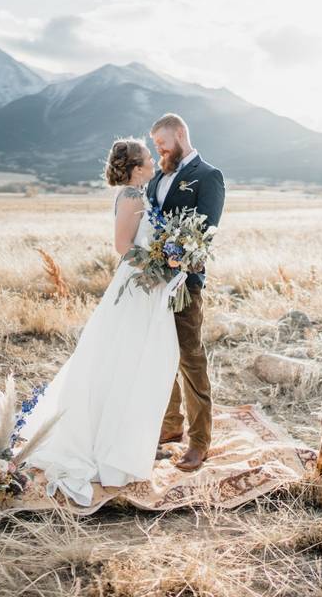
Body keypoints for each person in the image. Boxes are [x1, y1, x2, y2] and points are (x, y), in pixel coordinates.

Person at [16, 137, 182, 507]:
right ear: (137, 167)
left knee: (138, 361)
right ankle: (108, 444)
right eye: (148, 158)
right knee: (124, 360)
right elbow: (123, 246)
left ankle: (128, 437)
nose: (154, 161)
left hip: (148, 285)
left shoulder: (140, 192)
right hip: (137, 286)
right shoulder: (131, 197)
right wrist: (162, 260)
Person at [147, 113, 226, 472]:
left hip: (185, 285)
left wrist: (175, 262)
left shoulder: (208, 176)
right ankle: (170, 425)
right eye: (155, 146)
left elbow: (203, 234)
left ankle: (199, 441)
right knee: (157, 356)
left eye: (163, 143)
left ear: (180, 134)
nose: (159, 149)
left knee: (190, 359)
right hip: (152, 286)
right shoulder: (157, 178)